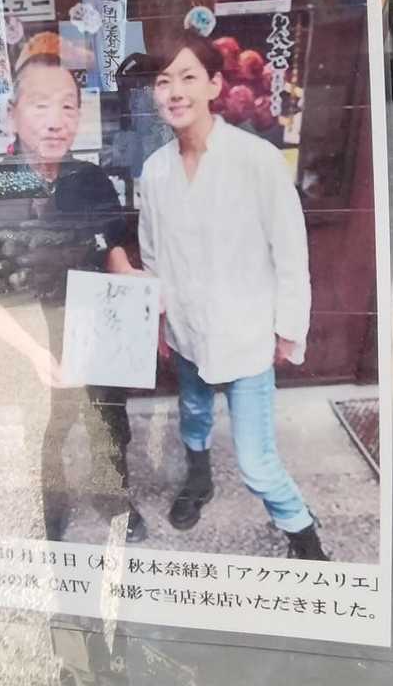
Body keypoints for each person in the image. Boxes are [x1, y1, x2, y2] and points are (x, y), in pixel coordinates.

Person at [137, 33, 329, 560]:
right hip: (185, 328)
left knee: (257, 464)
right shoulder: (155, 170)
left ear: (215, 85)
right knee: (193, 414)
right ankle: (198, 481)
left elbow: (290, 251)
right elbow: (152, 253)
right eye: (164, 81)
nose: (175, 92)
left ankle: (306, 540)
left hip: (246, 333)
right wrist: (159, 322)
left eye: (188, 77)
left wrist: (288, 329)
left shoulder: (256, 159)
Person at [0, 53, 146, 543]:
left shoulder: (92, 181)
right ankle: (50, 505)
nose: (56, 119)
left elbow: (114, 251)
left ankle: (113, 497)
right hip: (27, 335)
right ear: (12, 114)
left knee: (109, 420)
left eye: (68, 106)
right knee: (45, 429)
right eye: (40, 105)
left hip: (95, 327)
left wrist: (135, 282)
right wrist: (32, 351)